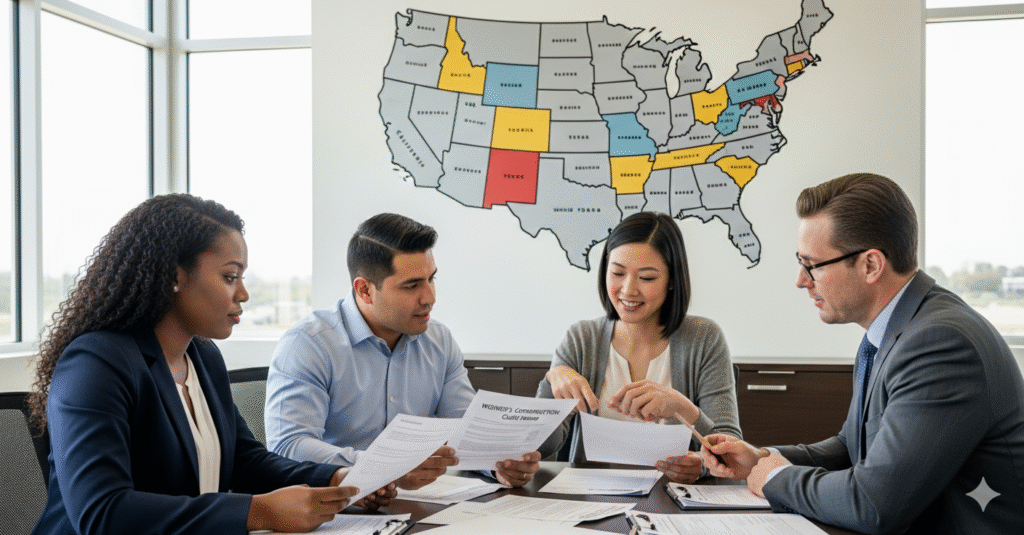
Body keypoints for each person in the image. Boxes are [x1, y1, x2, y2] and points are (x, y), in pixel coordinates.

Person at [27, 194, 396, 535]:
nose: (243, 294)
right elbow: (101, 513)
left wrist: (335, 479)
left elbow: (243, 461)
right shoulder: (96, 363)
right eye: (229, 276)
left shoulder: (202, 357)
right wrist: (257, 512)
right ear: (175, 275)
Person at [701, 173, 1024, 534]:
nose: (801, 280)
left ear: (871, 265)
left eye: (813, 265)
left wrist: (776, 477)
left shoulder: (940, 343)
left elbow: (874, 504)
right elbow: (851, 447)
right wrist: (760, 458)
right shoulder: (893, 331)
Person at [265, 213, 540, 488]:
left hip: (419, 506)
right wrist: (386, 468)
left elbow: (465, 432)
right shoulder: (309, 344)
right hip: (336, 507)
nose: (430, 297)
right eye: (412, 285)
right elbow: (288, 446)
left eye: (431, 279)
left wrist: (499, 466)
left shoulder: (439, 340)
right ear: (365, 290)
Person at [536, 211, 741, 483]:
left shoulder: (704, 338)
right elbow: (541, 445)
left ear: (671, 281)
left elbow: (731, 451)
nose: (628, 290)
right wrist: (553, 381)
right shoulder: (581, 338)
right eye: (617, 273)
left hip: (675, 500)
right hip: (590, 497)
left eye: (646, 278)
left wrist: (686, 415)